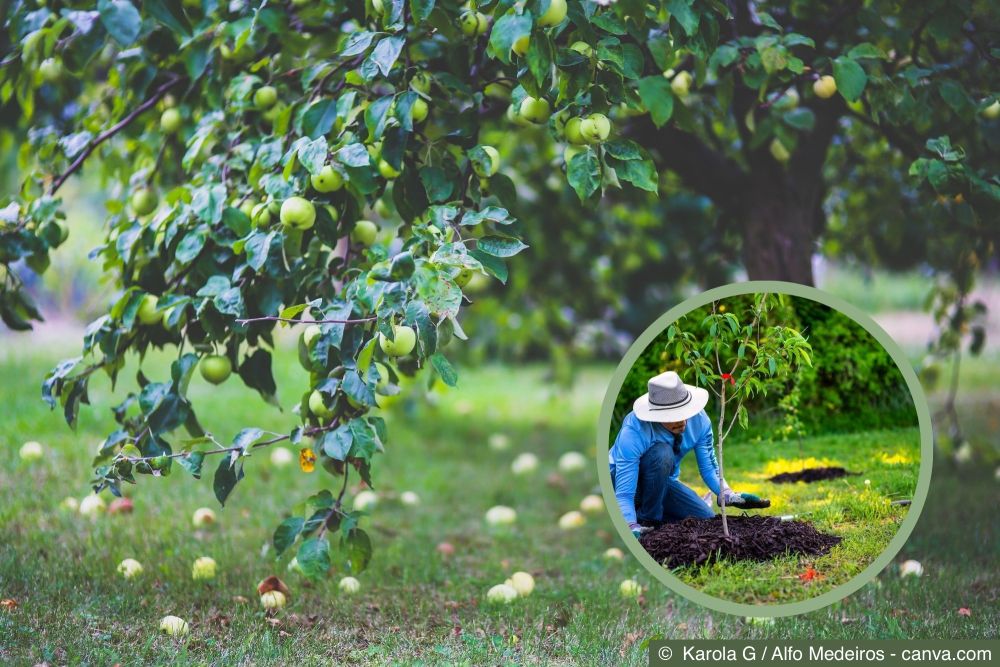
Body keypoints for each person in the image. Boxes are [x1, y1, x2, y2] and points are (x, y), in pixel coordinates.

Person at [610, 371, 769, 539]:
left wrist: (727, 494)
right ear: (656, 415)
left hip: (661, 483)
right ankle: (647, 521)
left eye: (684, 412)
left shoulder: (700, 421)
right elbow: (624, 493)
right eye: (673, 415)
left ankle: (654, 514)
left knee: (705, 518)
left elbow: (709, 468)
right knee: (662, 453)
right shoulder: (635, 430)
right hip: (623, 483)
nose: (682, 421)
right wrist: (629, 525)